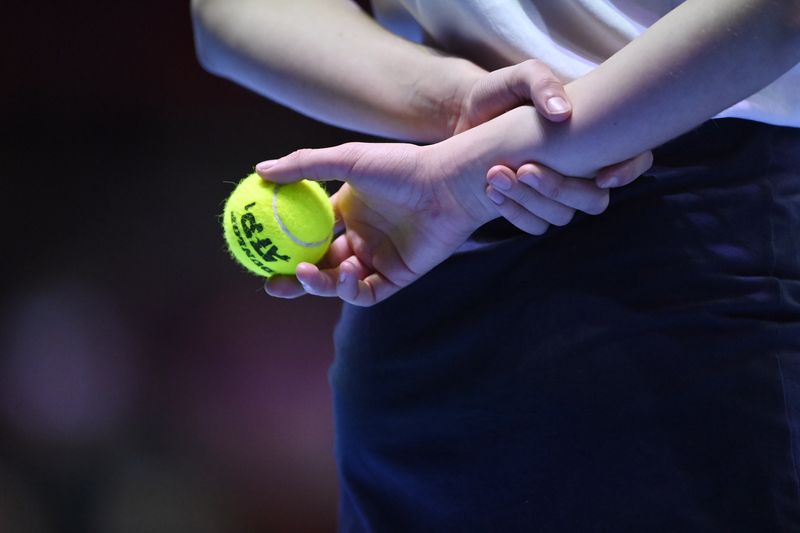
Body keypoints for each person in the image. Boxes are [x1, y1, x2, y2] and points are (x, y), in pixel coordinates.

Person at [192, 1, 800, 530]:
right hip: (426, 229)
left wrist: (535, 139)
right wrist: (451, 105)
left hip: (697, 241)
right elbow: (224, 13)